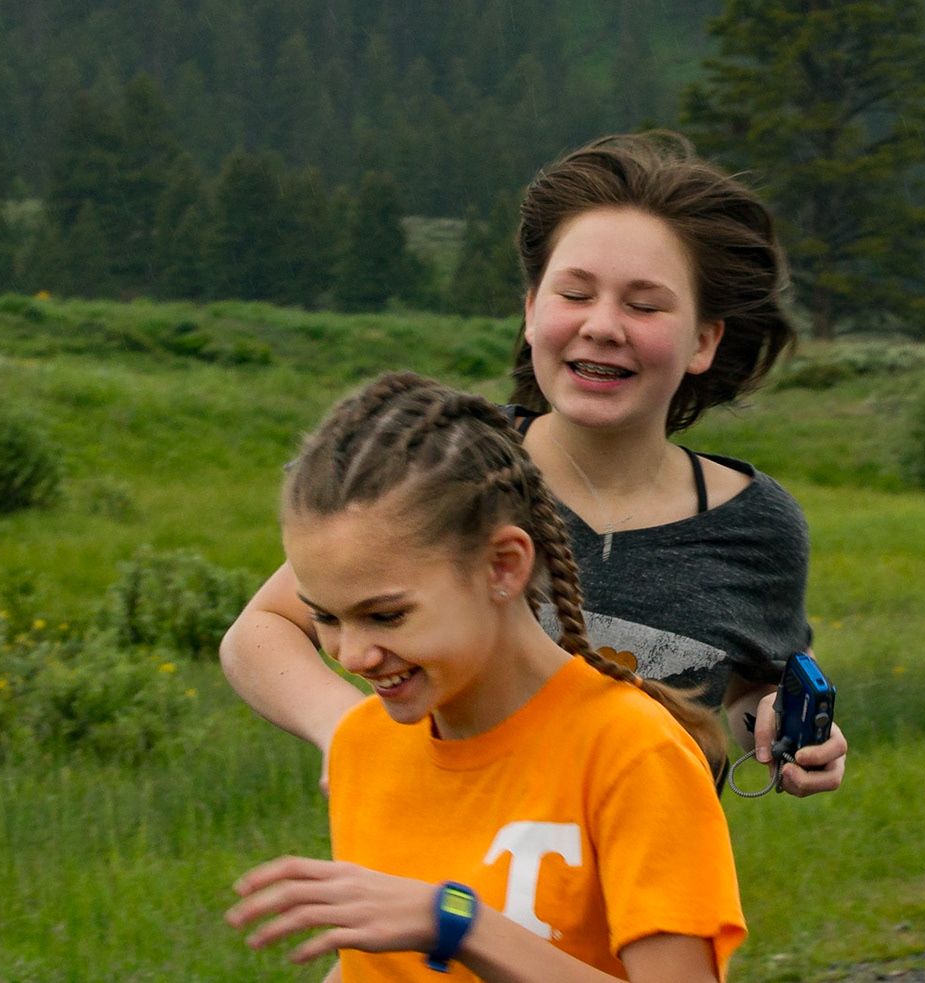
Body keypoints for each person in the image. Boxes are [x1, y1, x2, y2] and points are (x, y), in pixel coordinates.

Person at [220, 130, 847, 797]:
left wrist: (784, 732)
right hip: (434, 887)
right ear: (529, 311)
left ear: (703, 339)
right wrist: (351, 733)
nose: (603, 325)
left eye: (643, 304)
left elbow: (743, 689)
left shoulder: (758, 526)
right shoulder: (443, 467)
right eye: (574, 294)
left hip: (656, 894)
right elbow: (263, 629)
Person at [225, 373, 744, 981]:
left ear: (504, 565)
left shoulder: (631, 752)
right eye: (324, 617)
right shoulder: (367, 744)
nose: (352, 655)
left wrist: (460, 925)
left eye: (386, 615)